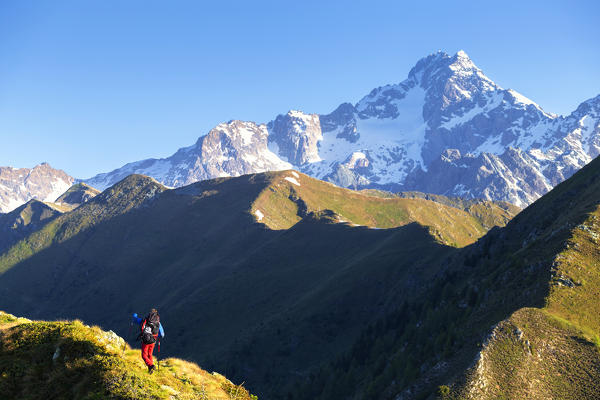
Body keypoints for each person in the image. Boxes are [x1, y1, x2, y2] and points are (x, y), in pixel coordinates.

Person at [132, 308, 165, 374]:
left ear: (150, 314)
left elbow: (135, 320)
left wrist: (134, 315)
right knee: (150, 354)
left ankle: (151, 366)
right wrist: (157, 336)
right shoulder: (158, 323)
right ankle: (150, 369)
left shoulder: (145, 320)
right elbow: (162, 334)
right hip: (153, 340)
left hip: (146, 340)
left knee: (144, 355)